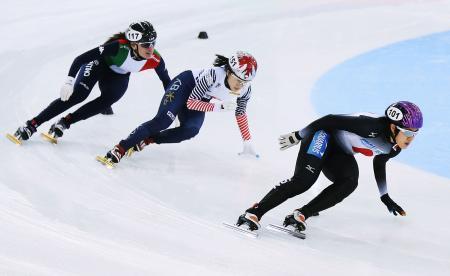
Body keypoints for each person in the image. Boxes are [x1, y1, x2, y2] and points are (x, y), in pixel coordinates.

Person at [236, 101, 423, 232]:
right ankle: (255, 212)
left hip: (340, 152)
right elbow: (331, 119)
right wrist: (299, 135)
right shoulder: (370, 125)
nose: (410, 138)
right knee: (303, 181)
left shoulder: (395, 147)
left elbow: (380, 161)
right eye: (407, 132)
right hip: (322, 134)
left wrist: (385, 196)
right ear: (393, 127)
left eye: (415, 133)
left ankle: (301, 214)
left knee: (349, 182)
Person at [10, 21, 170, 143]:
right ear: (134, 45)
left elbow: (167, 84)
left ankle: (66, 122)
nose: (151, 48)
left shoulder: (155, 59)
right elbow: (80, 59)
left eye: (153, 43)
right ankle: (32, 124)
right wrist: (69, 81)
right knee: (77, 96)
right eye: (146, 45)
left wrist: (173, 106)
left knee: (108, 99)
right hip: (98, 65)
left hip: (118, 76)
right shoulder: (118, 47)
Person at [101, 51, 259, 165]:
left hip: (201, 97)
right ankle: (119, 148)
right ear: (228, 71)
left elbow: (240, 113)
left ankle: (148, 139)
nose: (240, 85)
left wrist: (247, 142)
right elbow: (190, 103)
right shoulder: (212, 75)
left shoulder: (245, 90)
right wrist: (218, 107)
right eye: (238, 79)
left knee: (191, 130)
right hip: (184, 85)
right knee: (163, 121)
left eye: (245, 82)